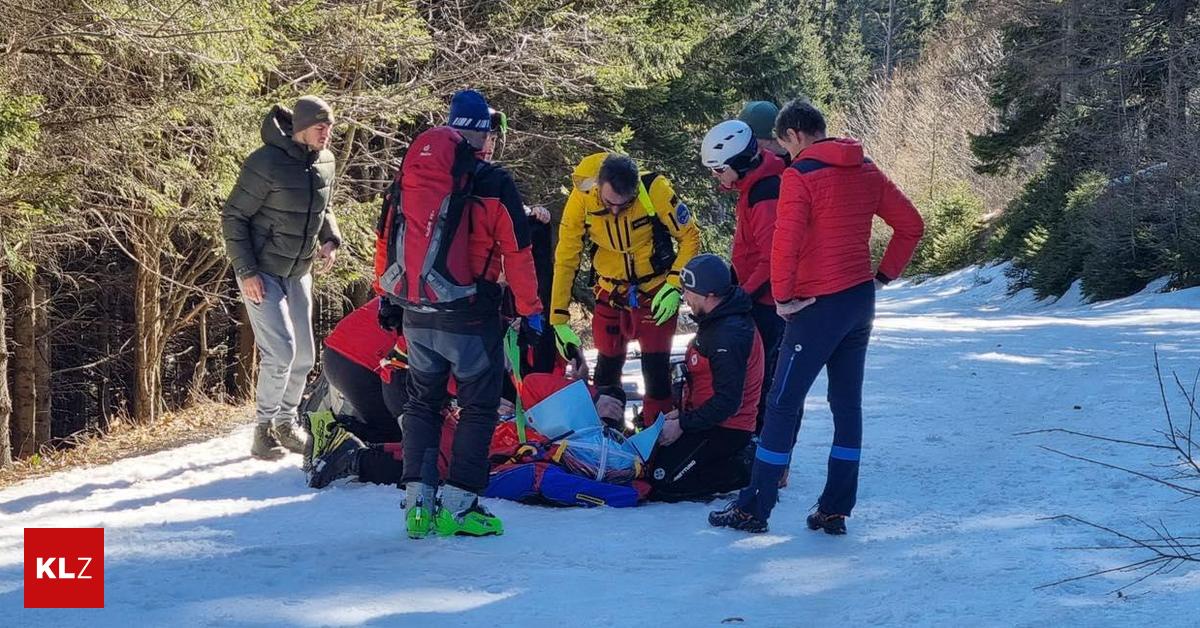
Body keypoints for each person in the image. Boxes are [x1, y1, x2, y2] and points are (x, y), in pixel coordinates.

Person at [710, 100, 924, 535]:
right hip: (859, 301)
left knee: (782, 402)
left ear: (793, 136)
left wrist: (784, 298)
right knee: (846, 407)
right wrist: (883, 275)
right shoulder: (865, 166)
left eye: (783, 144)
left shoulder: (800, 174)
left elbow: (784, 245)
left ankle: (754, 508)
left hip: (814, 306)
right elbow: (911, 225)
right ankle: (834, 509)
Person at [377, 89, 544, 539]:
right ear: (484, 134)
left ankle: (417, 506)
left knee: (422, 403)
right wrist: (531, 312)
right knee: (477, 407)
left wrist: (390, 301)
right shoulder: (492, 182)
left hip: (416, 312)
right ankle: (459, 506)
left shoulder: (410, 177)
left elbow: (387, 237)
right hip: (469, 315)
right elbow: (519, 251)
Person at [222, 96, 341, 460]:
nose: (327, 134)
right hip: (261, 272)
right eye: (321, 128)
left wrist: (331, 240)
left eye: (331, 127)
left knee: (304, 356)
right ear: (301, 128)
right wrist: (246, 272)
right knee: (281, 353)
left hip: (299, 270)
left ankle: (286, 424)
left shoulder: (325, 161)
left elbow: (324, 206)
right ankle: (263, 430)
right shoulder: (265, 163)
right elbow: (233, 217)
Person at [549, 153, 700, 426]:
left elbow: (690, 237)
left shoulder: (654, 189)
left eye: (625, 204)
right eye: (609, 203)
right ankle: (608, 434)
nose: (616, 210)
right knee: (606, 369)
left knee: (656, 371)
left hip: (654, 291)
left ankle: (658, 436)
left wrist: (674, 285)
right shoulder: (582, 196)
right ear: (598, 186)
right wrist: (558, 319)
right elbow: (566, 256)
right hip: (610, 292)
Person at [650, 255, 763, 502]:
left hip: (727, 428)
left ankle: (746, 467)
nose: (685, 298)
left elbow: (728, 402)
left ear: (710, 295)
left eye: (689, 292)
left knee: (662, 481)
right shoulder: (717, 318)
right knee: (651, 464)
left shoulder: (728, 335)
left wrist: (683, 423)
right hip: (704, 419)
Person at [700, 119, 785, 434]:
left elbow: (772, 257)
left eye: (719, 169)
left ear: (739, 162)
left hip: (769, 302)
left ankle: (761, 446)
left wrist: (743, 295)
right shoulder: (754, 183)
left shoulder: (765, 193)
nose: (716, 176)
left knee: (761, 379)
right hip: (755, 294)